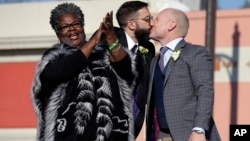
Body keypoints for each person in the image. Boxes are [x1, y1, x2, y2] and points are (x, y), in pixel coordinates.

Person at [30, 3, 137, 141]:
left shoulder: (103, 55)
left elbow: (126, 70)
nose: (72, 30)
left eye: (76, 24)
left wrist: (111, 37)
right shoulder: (54, 58)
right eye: (65, 27)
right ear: (58, 32)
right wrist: (93, 42)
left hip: (112, 135)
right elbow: (62, 71)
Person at [145, 8, 221, 141]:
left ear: (171, 25)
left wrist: (199, 129)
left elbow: (205, 91)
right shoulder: (154, 61)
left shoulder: (195, 53)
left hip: (190, 135)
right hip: (161, 136)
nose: (151, 23)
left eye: (157, 19)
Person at [115, 1, 155, 137]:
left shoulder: (148, 48)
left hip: (134, 124)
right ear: (131, 24)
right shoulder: (111, 40)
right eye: (147, 19)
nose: (152, 23)